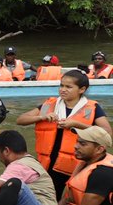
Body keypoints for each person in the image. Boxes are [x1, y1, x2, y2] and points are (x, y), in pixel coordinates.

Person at [16, 69, 113, 198]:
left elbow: (107, 134)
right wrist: (41, 117)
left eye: (68, 87)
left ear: (82, 89)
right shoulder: (49, 104)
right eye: (61, 85)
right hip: (46, 164)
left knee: (68, 201)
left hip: (73, 166)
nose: (63, 89)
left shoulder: (93, 108)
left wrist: (76, 124)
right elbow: (20, 120)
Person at [51, 126, 113, 205]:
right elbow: (67, 200)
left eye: (82, 144)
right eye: (77, 141)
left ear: (99, 149)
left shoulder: (102, 173)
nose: (76, 146)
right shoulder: (87, 162)